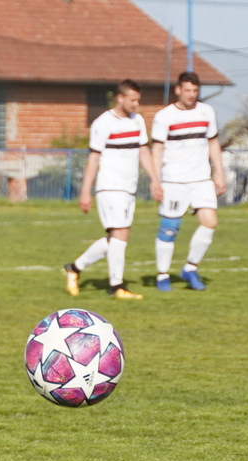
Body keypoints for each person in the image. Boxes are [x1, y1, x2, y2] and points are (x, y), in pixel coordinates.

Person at [64, 79, 162, 300]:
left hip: (129, 188)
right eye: (133, 99)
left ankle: (74, 268)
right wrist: (85, 191)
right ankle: (116, 287)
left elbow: (143, 152)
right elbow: (94, 158)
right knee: (120, 234)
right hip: (110, 186)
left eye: (139, 100)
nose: (137, 104)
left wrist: (155, 179)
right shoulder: (103, 123)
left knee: (117, 238)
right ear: (120, 98)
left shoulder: (137, 121)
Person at [150, 71, 227, 291]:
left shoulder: (206, 111)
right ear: (178, 90)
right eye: (187, 90)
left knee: (210, 221)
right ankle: (162, 275)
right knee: (170, 228)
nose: (192, 95)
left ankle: (190, 268)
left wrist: (219, 172)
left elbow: (213, 143)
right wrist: (156, 179)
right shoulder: (164, 116)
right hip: (174, 181)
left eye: (195, 91)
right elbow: (157, 149)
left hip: (201, 179)